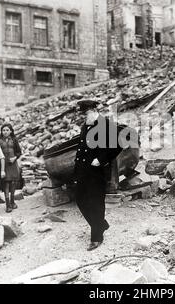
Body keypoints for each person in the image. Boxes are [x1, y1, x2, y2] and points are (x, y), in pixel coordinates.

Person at [73, 99, 123, 251]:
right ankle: (101, 224)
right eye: (83, 114)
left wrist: (100, 159)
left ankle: (96, 237)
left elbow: (118, 144)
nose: (84, 116)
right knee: (80, 199)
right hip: (82, 169)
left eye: (86, 113)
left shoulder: (105, 125)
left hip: (96, 171)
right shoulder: (86, 125)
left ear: (94, 110)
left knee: (96, 202)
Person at [0, 124, 22, 213]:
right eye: (3, 130)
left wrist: (14, 158)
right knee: (6, 183)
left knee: (13, 182)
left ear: (11, 131)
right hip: (3, 164)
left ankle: (12, 201)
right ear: (1, 131)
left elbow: (19, 152)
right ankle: (7, 205)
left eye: (7, 130)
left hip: (13, 163)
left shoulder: (14, 139)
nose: (5, 132)